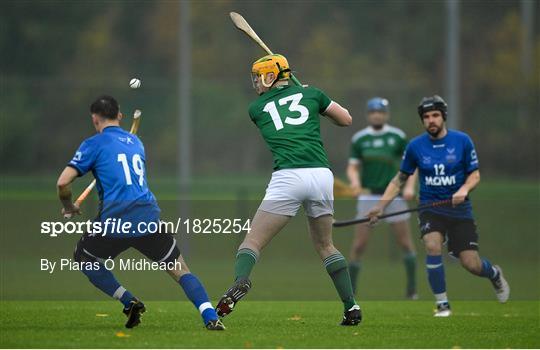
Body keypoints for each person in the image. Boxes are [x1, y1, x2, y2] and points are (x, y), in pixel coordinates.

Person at [215, 54, 361, 325]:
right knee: (326, 245)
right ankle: (351, 307)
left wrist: (301, 92)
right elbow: (346, 120)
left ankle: (241, 281)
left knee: (253, 242)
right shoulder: (312, 93)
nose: (256, 83)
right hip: (321, 175)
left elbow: (282, 105)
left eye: (259, 77)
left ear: (271, 77)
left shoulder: (256, 108)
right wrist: (312, 95)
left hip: (288, 177)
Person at [56, 95, 225, 330]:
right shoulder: (136, 143)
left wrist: (68, 206)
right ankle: (210, 316)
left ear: (95, 119)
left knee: (83, 256)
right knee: (180, 269)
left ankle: (128, 300)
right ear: (120, 116)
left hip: (115, 221)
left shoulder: (93, 144)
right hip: (147, 216)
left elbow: (63, 183)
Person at [367, 95, 510, 317]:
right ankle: (442, 304)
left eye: (435, 115)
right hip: (430, 208)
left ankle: (494, 274)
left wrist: (463, 190)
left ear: (443, 116)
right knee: (432, 246)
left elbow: (475, 175)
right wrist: (380, 206)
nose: (431, 120)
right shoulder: (415, 146)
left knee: (470, 263)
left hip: (460, 211)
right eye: (426, 117)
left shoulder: (462, 141)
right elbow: (399, 180)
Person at [347, 97, 418, 299]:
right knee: (359, 245)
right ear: (368, 115)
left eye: (380, 111)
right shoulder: (360, 139)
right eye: (373, 112)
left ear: (386, 114)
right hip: (368, 197)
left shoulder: (397, 137)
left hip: (394, 197)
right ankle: (351, 292)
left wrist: (410, 187)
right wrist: (354, 183)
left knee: (405, 243)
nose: (377, 115)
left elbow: (412, 166)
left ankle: (412, 290)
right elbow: (353, 167)